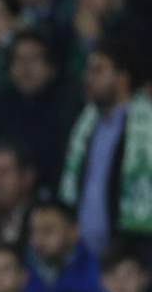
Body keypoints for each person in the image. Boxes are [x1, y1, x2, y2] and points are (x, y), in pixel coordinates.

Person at [60, 38, 152, 256]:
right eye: (87, 70)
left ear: (122, 79)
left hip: (135, 251)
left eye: (98, 70)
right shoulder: (85, 125)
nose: (88, 77)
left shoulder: (146, 126)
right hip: (85, 252)